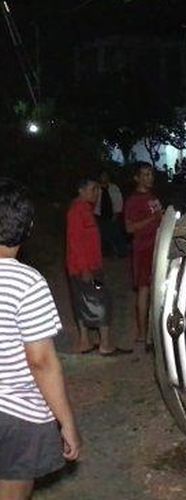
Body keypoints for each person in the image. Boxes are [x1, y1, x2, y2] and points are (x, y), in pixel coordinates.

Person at [0, 178, 81, 499]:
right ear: (29, 227)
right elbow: (41, 361)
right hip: (15, 416)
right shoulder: (27, 283)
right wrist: (66, 422)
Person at [67, 178, 121, 356]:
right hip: (85, 269)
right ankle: (105, 344)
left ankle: (85, 341)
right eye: (93, 189)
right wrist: (85, 268)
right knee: (101, 299)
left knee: (82, 301)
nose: (96, 193)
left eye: (97, 189)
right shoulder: (77, 211)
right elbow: (75, 242)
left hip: (87, 267)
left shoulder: (86, 209)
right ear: (81, 191)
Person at [124, 165, 162, 352]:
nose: (150, 178)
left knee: (157, 289)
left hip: (157, 247)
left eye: (151, 174)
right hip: (143, 249)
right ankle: (141, 333)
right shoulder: (133, 201)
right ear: (137, 178)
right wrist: (152, 219)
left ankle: (153, 333)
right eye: (145, 175)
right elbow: (129, 228)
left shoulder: (152, 197)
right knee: (144, 290)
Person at [94, 171, 127, 258]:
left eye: (106, 176)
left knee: (116, 234)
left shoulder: (114, 188)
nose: (104, 178)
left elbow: (119, 200)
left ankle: (122, 252)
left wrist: (116, 213)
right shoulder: (96, 188)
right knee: (102, 235)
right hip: (99, 215)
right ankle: (106, 253)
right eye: (102, 176)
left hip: (112, 214)